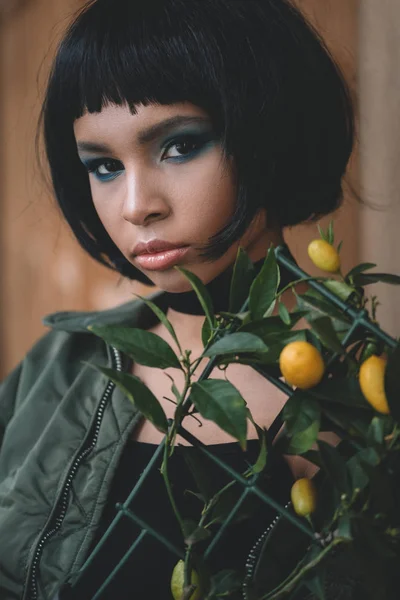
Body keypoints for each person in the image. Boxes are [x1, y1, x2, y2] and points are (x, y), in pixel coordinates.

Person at [0, 0, 354, 598]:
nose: (137, 205)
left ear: (270, 128)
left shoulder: (366, 387)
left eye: (180, 146)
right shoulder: (56, 368)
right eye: (105, 166)